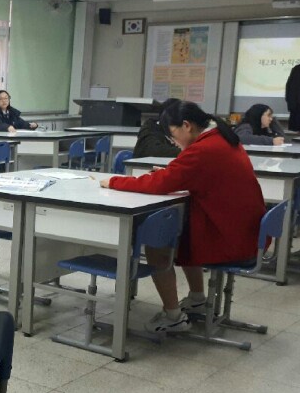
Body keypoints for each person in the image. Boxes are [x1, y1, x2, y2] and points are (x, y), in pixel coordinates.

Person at [100, 101, 265, 334]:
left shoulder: (204, 149)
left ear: (186, 125)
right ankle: (197, 299)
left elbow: (160, 184)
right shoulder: (221, 138)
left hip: (232, 239)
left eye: (173, 134)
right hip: (244, 232)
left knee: (158, 244)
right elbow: (193, 176)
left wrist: (114, 181)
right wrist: (174, 174)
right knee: (181, 232)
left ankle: (173, 317)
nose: (174, 141)